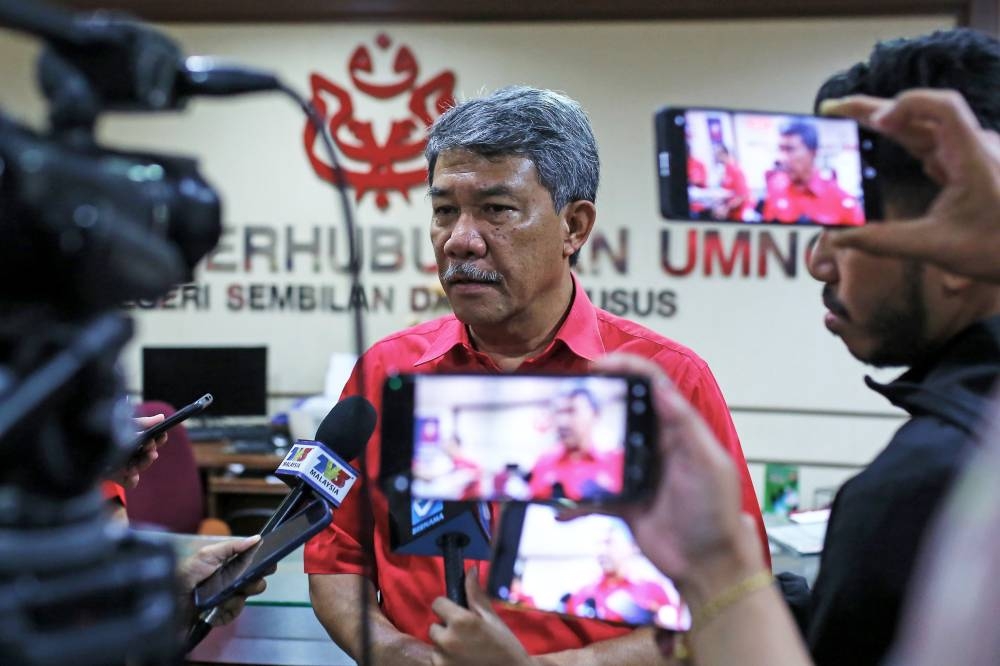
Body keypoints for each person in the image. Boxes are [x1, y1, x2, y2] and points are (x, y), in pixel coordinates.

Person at [304, 85, 767, 664]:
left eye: (497, 211)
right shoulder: (386, 371)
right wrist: (396, 652)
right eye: (444, 210)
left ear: (574, 227)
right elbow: (335, 555)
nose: (460, 240)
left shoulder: (666, 382)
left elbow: (731, 601)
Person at [797, 29, 1000, 666]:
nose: (817, 261)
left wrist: (716, 583)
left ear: (961, 247)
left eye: (842, 225)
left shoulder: (920, 493)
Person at [565, 527, 681, 627]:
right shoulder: (583, 595)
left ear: (632, 546)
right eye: (597, 544)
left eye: (608, 542)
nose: (601, 551)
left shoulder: (653, 590)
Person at [761, 120, 864, 225]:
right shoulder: (775, 189)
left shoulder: (842, 202)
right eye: (780, 149)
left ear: (813, 152)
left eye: (790, 149)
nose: (781, 158)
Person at [528, 388, 624, 501]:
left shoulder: (617, 462)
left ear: (595, 415)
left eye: (571, 411)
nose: (563, 422)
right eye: (559, 412)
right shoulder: (543, 462)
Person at [709, 143, 751, 222]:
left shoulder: (735, 170)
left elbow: (742, 196)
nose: (715, 157)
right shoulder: (725, 171)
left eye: (716, 154)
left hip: (738, 217)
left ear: (724, 154)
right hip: (730, 216)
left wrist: (726, 208)